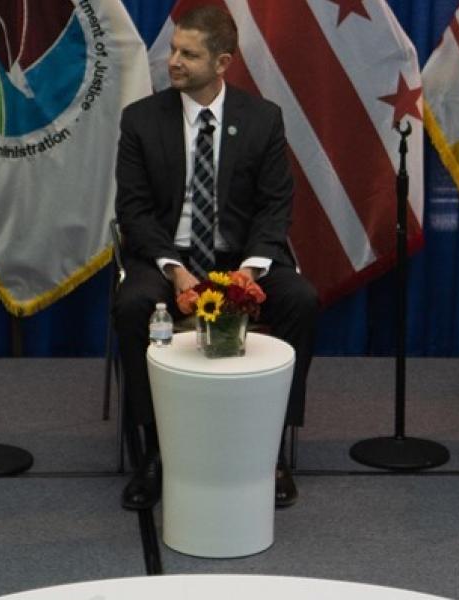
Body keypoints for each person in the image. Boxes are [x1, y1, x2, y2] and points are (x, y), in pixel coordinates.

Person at [112, 6, 318, 511]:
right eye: (173, 50)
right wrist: (175, 270)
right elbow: (134, 211)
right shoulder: (141, 120)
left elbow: (275, 207)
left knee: (301, 300)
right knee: (133, 305)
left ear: (222, 62)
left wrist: (248, 273)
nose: (173, 61)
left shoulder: (262, 119)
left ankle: (272, 450)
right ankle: (155, 451)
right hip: (168, 256)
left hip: (239, 257)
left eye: (188, 54)